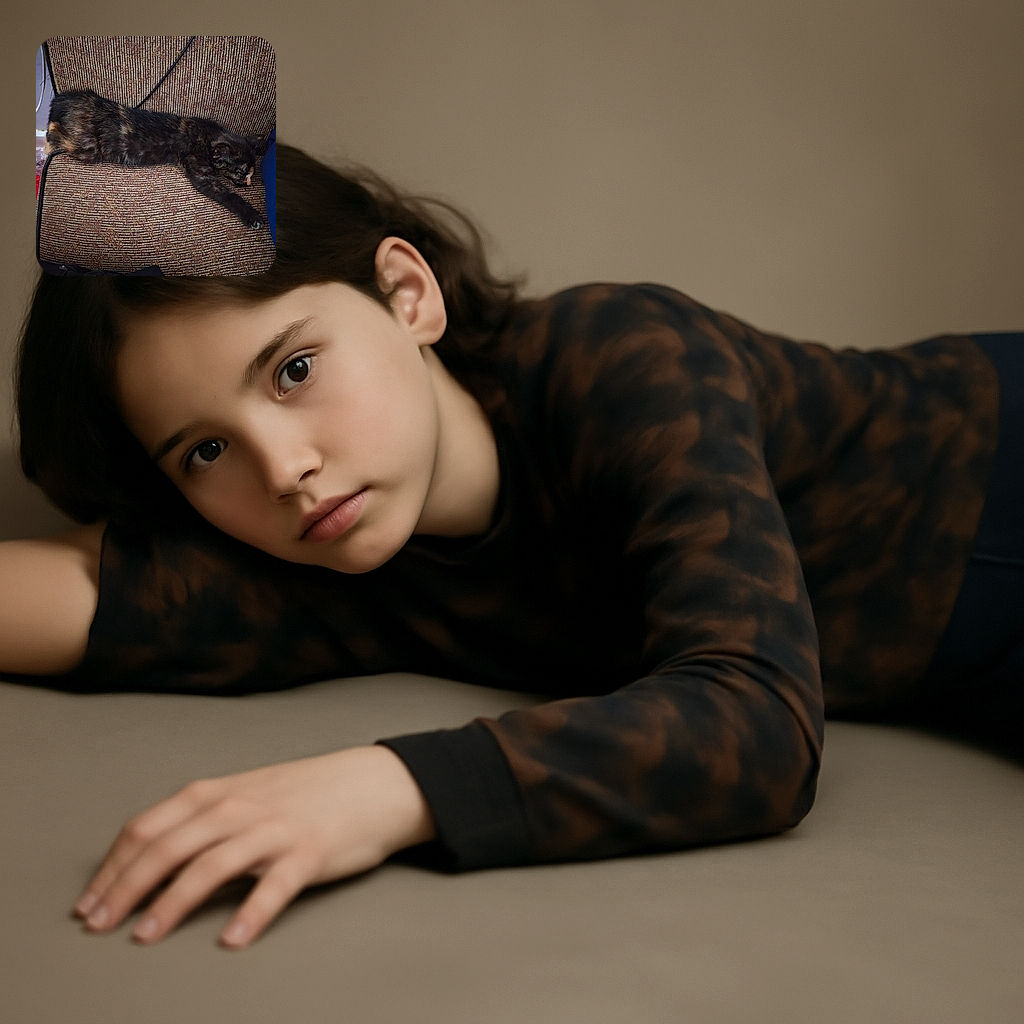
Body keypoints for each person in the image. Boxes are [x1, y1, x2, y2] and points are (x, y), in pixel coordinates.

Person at [4, 144, 1021, 950]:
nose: (281, 467)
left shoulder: (622, 356)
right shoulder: (334, 552)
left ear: (407, 295)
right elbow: (80, 595)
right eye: (205, 448)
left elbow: (755, 724)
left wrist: (381, 787)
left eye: (295, 368)